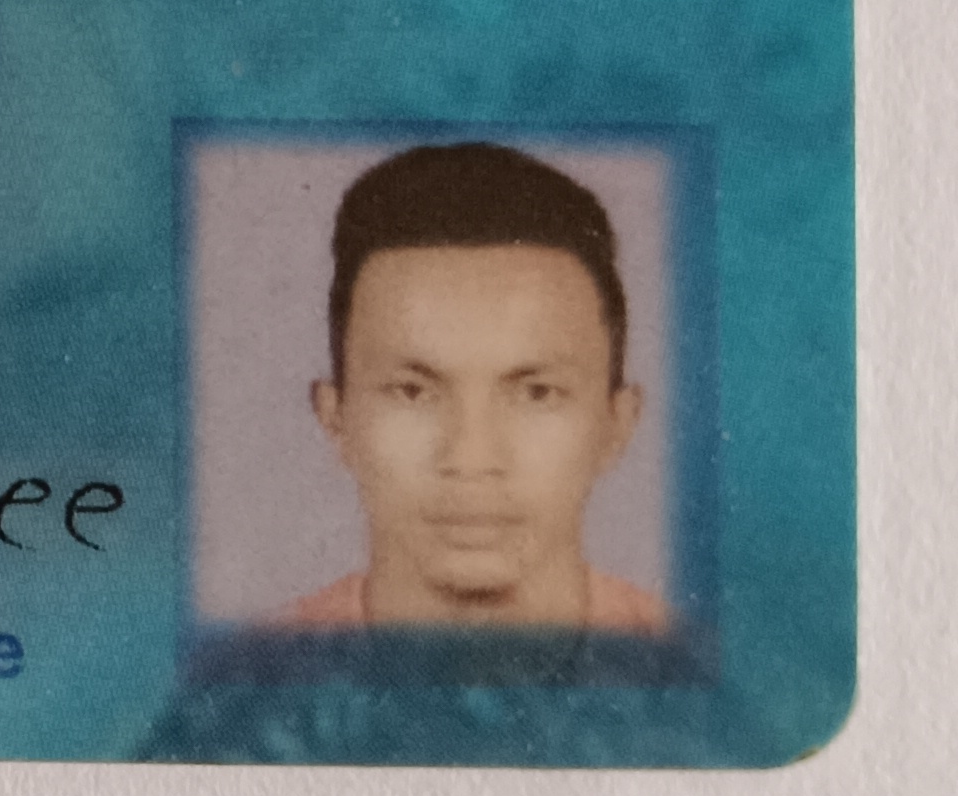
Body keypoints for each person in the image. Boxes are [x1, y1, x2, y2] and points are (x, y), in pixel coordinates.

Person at [281, 141, 668, 631]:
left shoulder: (710, 668)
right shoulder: (238, 675)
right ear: (335, 419)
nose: (471, 459)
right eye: (413, 392)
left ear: (617, 425)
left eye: (537, 393)